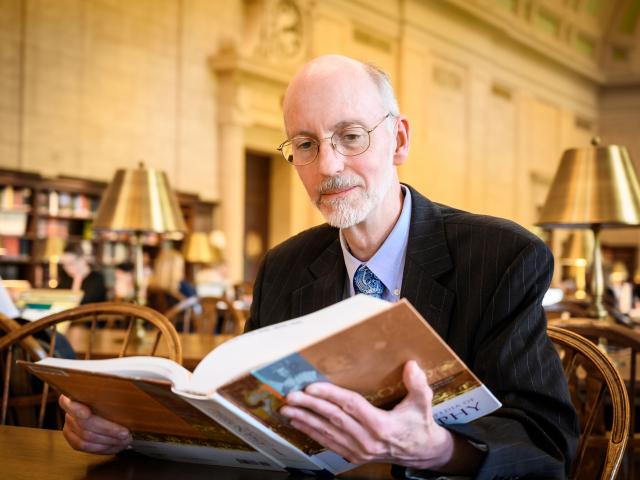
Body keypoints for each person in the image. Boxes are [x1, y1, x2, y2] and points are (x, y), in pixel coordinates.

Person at [58, 55, 578, 479]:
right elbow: (246, 422)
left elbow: (548, 445)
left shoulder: (502, 258)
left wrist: (437, 449)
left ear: (398, 140)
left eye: (351, 136)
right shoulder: (284, 267)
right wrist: (131, 432)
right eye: (306, 145)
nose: (328, 166)